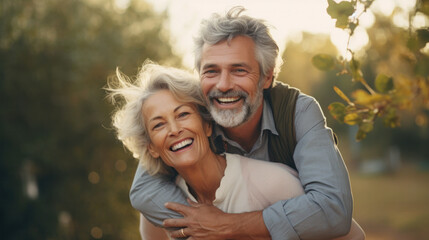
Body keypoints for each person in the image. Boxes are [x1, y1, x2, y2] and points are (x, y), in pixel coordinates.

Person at [130, 6, 355, 240]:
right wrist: (199, 223)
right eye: (211, 71)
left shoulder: (298, 111)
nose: (224, 84)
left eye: (239, 70)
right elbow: (143, 189)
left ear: (267, 76)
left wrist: (225, 225)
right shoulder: (194, 112)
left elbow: (333, 208)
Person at [107, 62, 364, 240]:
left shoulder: (272, 182)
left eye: (183, 114)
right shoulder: (162, 211)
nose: (174, 129)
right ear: (150, 147)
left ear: (208, 124)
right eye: (159, 124)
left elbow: (349, 234)